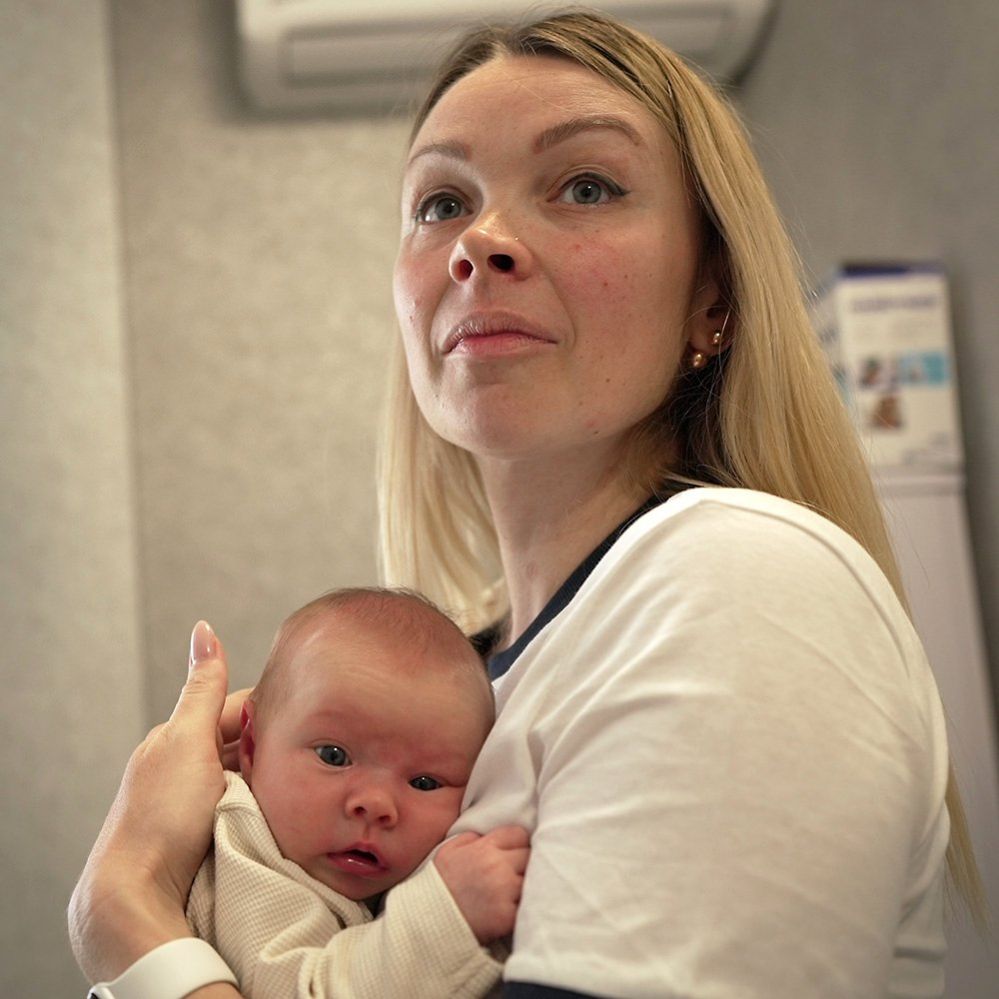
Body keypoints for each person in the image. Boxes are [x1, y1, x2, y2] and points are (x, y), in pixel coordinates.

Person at [70, 10, 983, 999]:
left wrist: (128, 920)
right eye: (442, 202)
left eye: (584, 186)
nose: (482, 242)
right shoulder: (461, 679)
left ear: (713, 296)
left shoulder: (741, 584)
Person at [185, 587, 525, 998]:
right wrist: (447, 916)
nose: (376, 804)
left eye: (424, 783)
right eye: (334, 756)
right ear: (253, 749)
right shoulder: (245, 847)